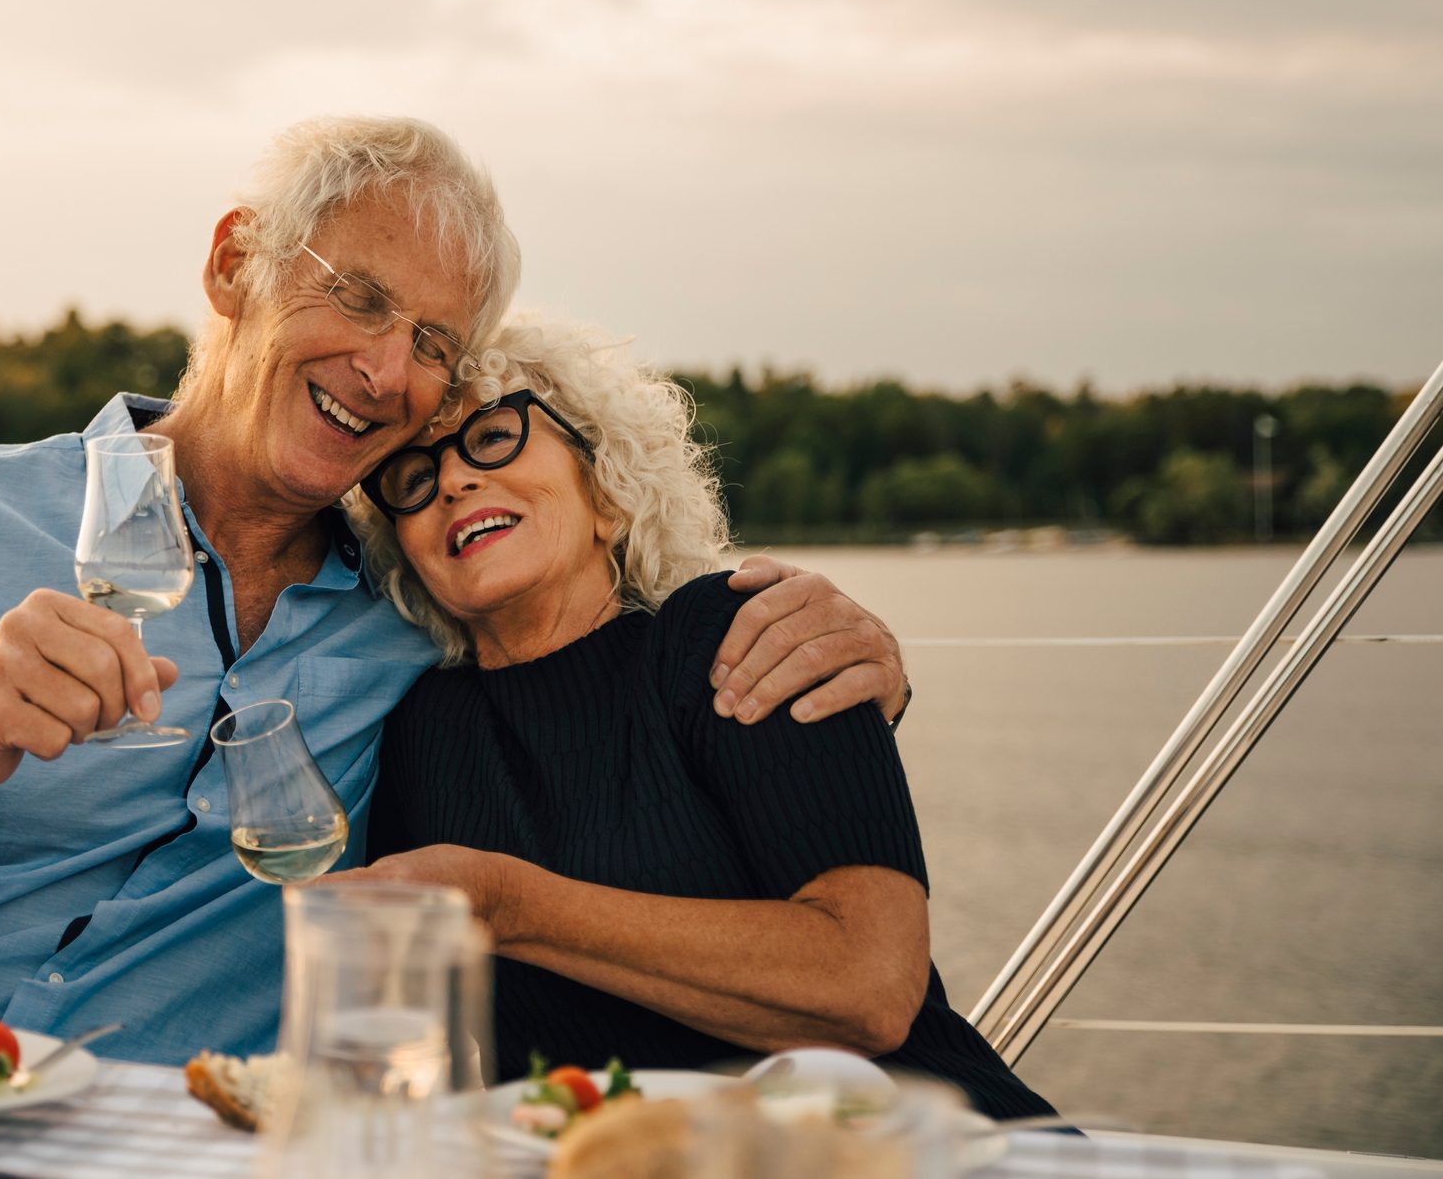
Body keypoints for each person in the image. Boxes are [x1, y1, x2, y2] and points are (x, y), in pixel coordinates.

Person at [0, 116, 912, 1064]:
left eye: (435, 345)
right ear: (236, 264)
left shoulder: (418, 617)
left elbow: (597, 644)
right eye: (361, 297)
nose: (387, 371)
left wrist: (847, 660)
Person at [345, 315, 1053, 1118]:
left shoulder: (732, 634)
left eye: (495, 435)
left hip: (918, 1147)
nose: (451, 480)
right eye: (410, 476)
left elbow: (869, 985)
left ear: (605, 491)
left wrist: (511, 906)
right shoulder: (413, 733)